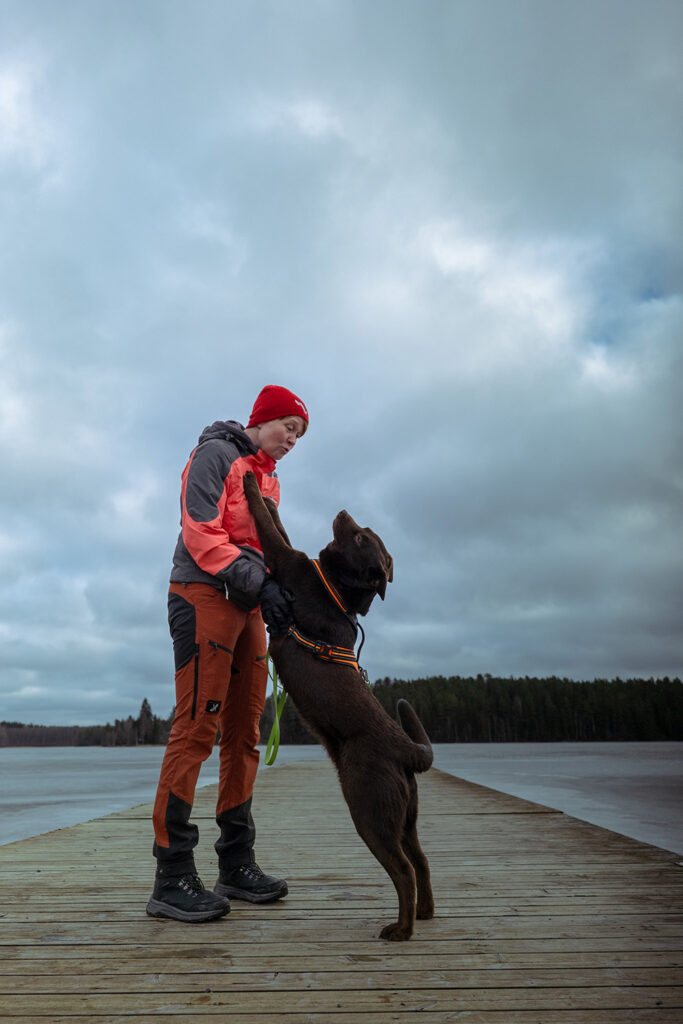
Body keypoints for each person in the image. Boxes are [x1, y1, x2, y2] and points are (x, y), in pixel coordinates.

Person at [146, 384, 309, 922]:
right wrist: (258, 583)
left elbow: (267, 547)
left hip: (248, 606)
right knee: (196, 729)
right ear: (262, 420)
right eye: (289, 426)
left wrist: (286, 592)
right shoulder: (217, 454)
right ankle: (172, 877)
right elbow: (201, 532)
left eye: (300, 434)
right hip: (201, 594)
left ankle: (235, 865)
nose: (293, 439)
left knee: (244, 733)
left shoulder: (270, 479)